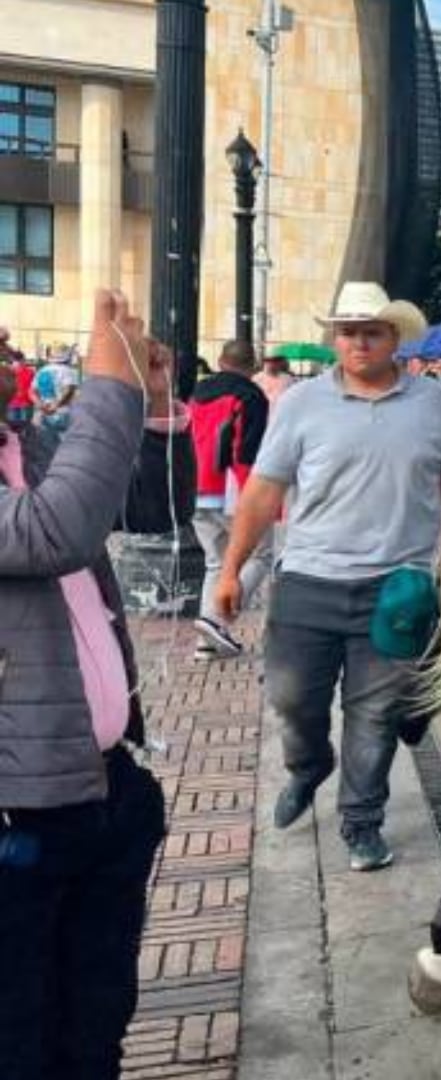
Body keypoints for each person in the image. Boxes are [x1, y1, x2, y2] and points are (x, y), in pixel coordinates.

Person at [211, 282, 441, 872]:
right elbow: (263, 492)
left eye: (371, 331)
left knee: (374, 715)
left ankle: (361, 821)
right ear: (335, 338)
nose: (358, 341)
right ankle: (308, 766)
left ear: (393, 338)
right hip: (309, 579)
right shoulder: (301, 403)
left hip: (398, 588)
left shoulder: (432, 402)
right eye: (348, 331)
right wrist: (231, 571)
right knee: (292, 698)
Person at [0, 291, 181, 1080]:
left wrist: (153, 404)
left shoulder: (21, 446)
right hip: (19, 814)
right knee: (21, 1041)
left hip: (98, 790)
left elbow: (132, 505)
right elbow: (57, 530)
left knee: (95, 1026)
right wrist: (111, 388)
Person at [187, 340, 273, 660]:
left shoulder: (196, 393)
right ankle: (217, 620)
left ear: (221, 361)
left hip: (196, 487)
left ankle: (206, 642)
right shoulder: (251, 396)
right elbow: (246, 452)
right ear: (252, 366)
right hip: (232, 487)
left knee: (215, 561)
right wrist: (260, 499)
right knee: (259, 554)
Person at [31, 348, 79, 442]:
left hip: (42, 412)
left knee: (44, 442)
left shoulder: (42, 370)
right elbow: (69, 390)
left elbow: (33, 391)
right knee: (63, 442)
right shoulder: (68, 371)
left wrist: (40, 405)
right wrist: (56, 405)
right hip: (62, 412)